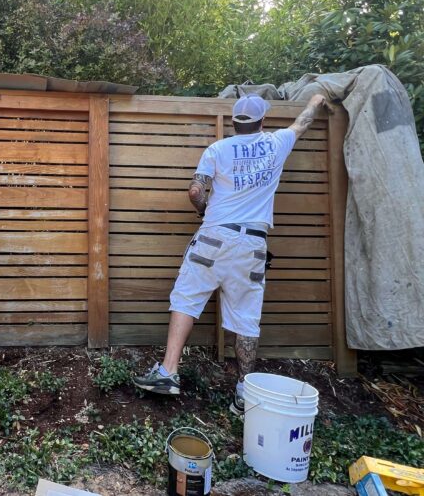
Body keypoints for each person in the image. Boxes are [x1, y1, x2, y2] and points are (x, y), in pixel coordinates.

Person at [133, 93, 330, 414]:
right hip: (252, 244)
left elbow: (196, 190)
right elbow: (303, 122)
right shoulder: (277, 143)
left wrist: (204, 210)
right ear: (262, 122)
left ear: (235, 122)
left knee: (186, 298)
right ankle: (244, 391)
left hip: (213, 237)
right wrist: (316, 100)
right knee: (245, 317)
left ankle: (168, 372)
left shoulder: (218, 149)